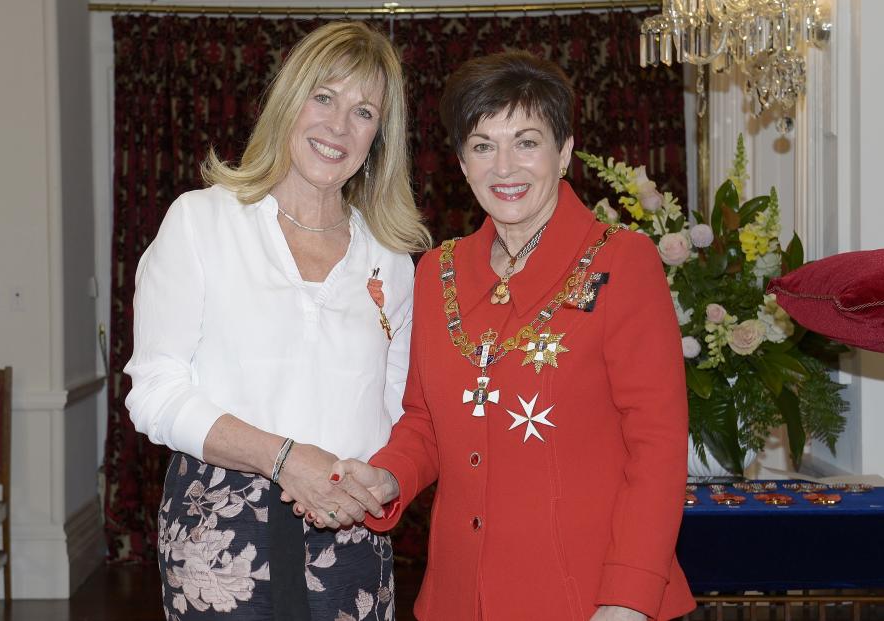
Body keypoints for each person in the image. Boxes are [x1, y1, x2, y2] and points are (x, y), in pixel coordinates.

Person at [325, 52, 696, 620]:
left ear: (564, 151)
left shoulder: (621, 263)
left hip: (589, 599)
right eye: (482, 146)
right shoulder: (438, 273)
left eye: (526, 142)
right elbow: (425, 422)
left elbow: (658, 446)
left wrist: (628, 599)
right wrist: (385, 475)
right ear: (462, 163)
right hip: (456, 598)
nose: (504, 167)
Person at [124, 21, 430, 620]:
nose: (339, 126)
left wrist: (384, 479)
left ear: (380, 136)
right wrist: (283, 458)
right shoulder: (201, 221)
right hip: (220, 535)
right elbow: (155, 393)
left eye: (363, 111)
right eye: (324, 97)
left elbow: (398, 408)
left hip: (349, 532)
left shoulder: (391, 259)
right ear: (289, 102)